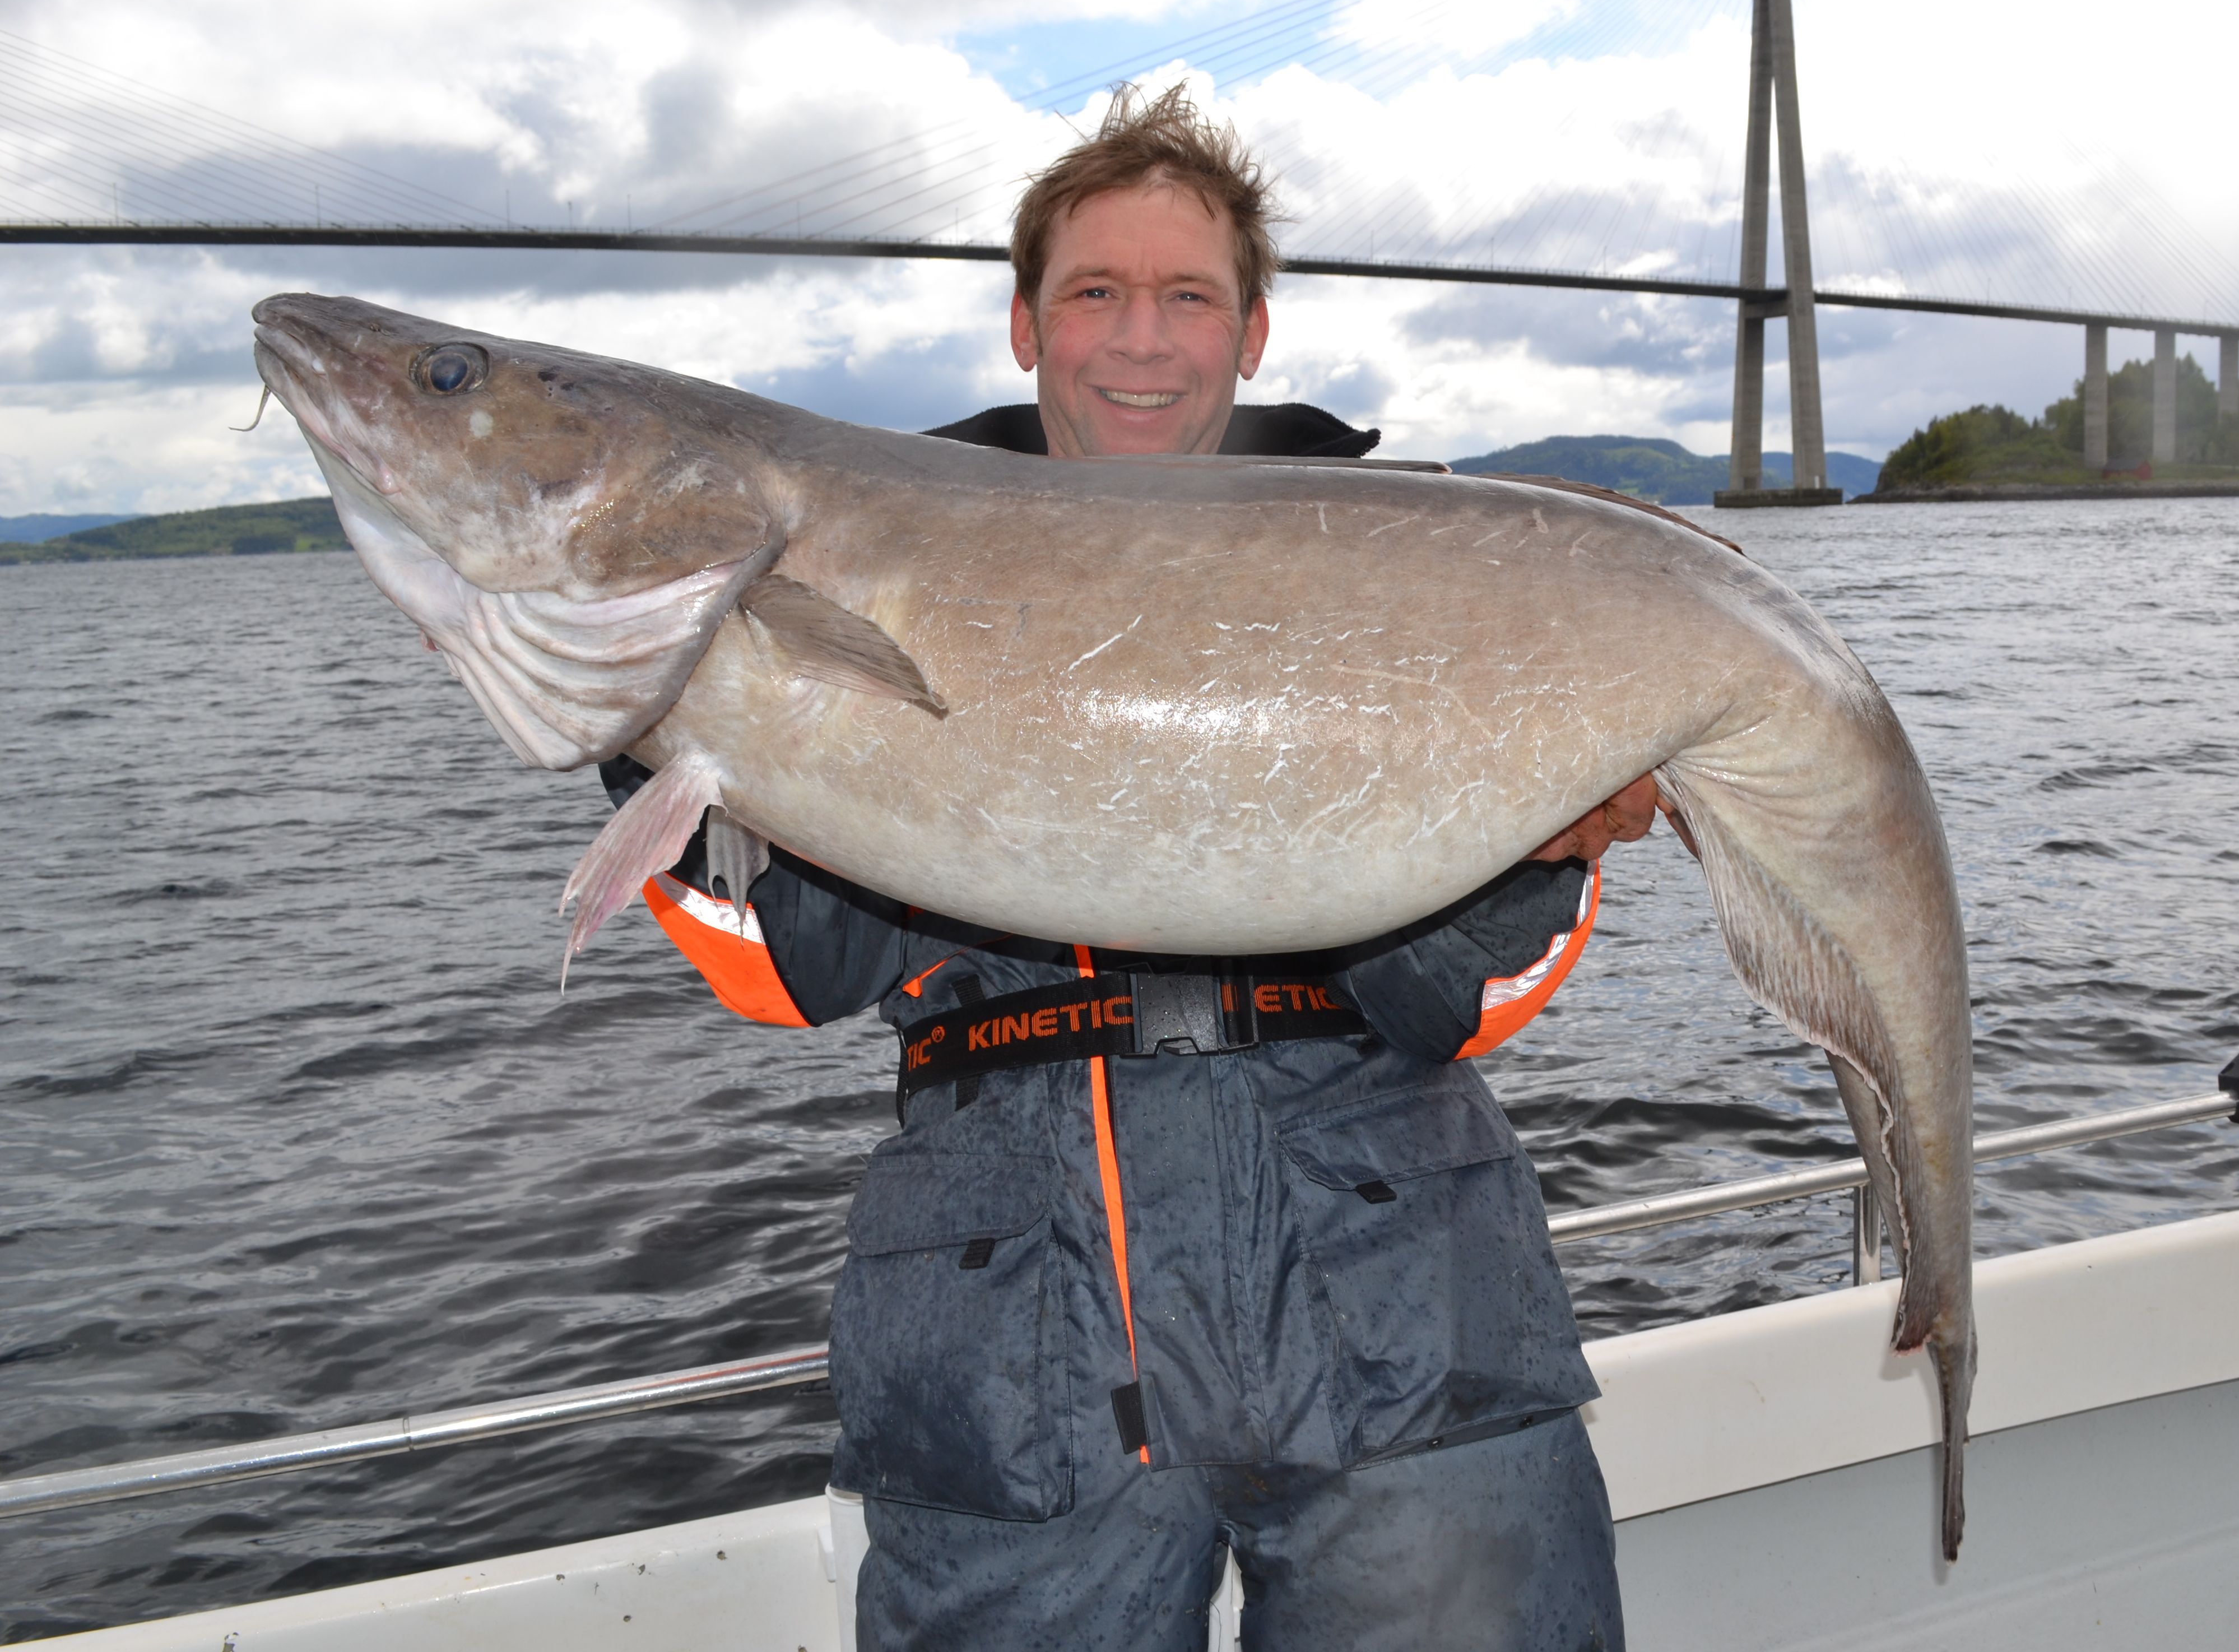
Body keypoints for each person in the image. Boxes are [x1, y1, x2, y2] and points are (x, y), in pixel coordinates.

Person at [611, 85, 1653, 1650]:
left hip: (1400, 1292)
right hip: (1011, 1332)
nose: (1143, 341)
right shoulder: (824, 566)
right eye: (1097, 293)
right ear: (1027, 327)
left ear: (1253, 332)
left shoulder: (1438, 569)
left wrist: (1540, 834)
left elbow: (1468, 1000)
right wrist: (657, 703)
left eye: (1188, 298)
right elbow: (791, 969)